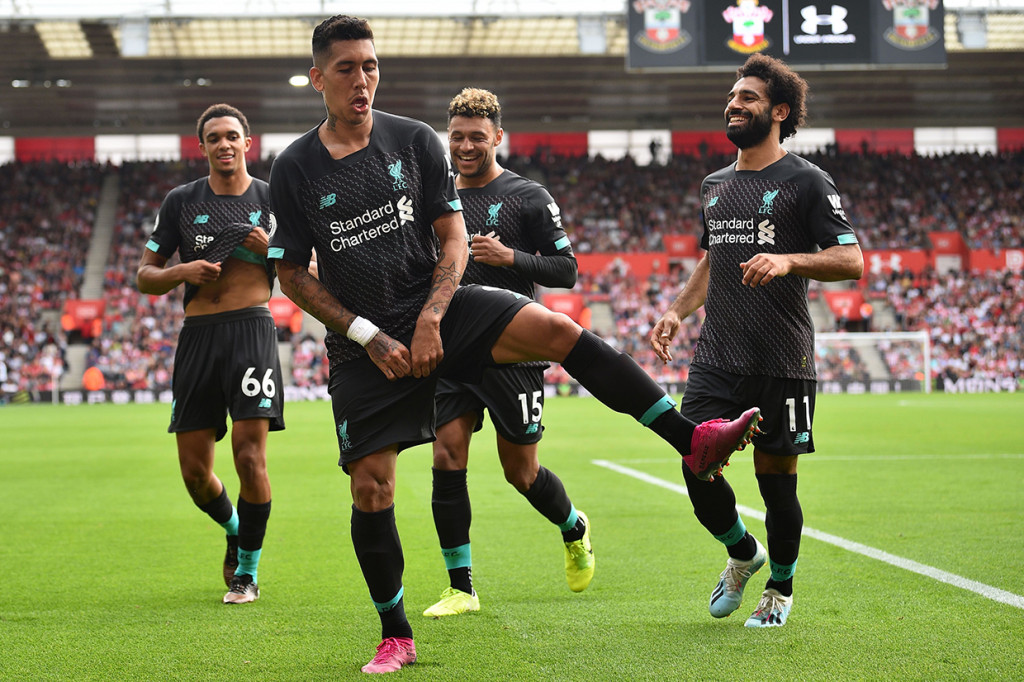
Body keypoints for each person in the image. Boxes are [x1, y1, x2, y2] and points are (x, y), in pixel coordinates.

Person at [268, 15, 760, 675]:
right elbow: (292, 273)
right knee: (373, 490)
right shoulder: (296, 166)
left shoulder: (413, 141)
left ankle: (691, 441)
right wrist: (365, 332)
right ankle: (396, 634)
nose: (363, 80)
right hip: (363, 345)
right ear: (318, 77)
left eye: (371, 66)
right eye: (347, 68)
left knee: (556, 330)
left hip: (436, 311)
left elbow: (451, 238)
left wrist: (433, 315)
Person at [650, 54, 864, 629]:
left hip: (782, 358)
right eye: (732, 95)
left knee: (777, 481)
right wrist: (675, 311)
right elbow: (711, 260)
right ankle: (743, 554)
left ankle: (781, 590)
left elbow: (851, 260)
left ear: (779, 111)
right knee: (696, 461)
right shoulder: (714, 185)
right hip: (717, 355)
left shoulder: (807, 180)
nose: (734, 103)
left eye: (747, 97)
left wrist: (789, 259)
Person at [421, 88, 589, 620]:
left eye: (477, 136)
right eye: (457, 136)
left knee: (520, 472)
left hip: (513, 352)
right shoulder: (434, 194)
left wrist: (510, 255)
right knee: (446, 455)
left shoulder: (527, 196)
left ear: (497, 136)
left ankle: (573, 527)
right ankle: (460, 586)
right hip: (452, 350)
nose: (466, 146)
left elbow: (567, 271)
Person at [137, 103, 283, 605]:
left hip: (252, 331)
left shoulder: (273, 198)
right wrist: (183, 271)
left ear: (248, 142)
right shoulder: (181, 201)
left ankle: (247, 572)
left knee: (249, 456)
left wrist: (272, 255)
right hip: (197, 335)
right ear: (202, 147)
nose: (224, 144)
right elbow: (144, 275)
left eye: (232, 136)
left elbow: (307, 266)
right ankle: (235, 527)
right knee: (196, 475)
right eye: (214, 137)